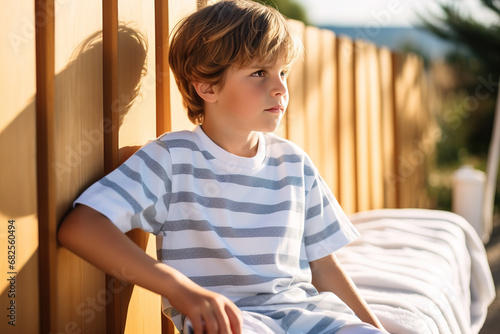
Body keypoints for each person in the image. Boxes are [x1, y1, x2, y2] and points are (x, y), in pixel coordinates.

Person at [58, 1, 387, 333]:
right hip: (230, 324)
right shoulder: (172, 159)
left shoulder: (294, 163)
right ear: (207, 86)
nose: (281, 88)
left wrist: (375, 328)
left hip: (312, 317)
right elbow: (81, 227)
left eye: (283, 72)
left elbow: (323, 266)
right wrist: (179, 290)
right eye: (260, 73)